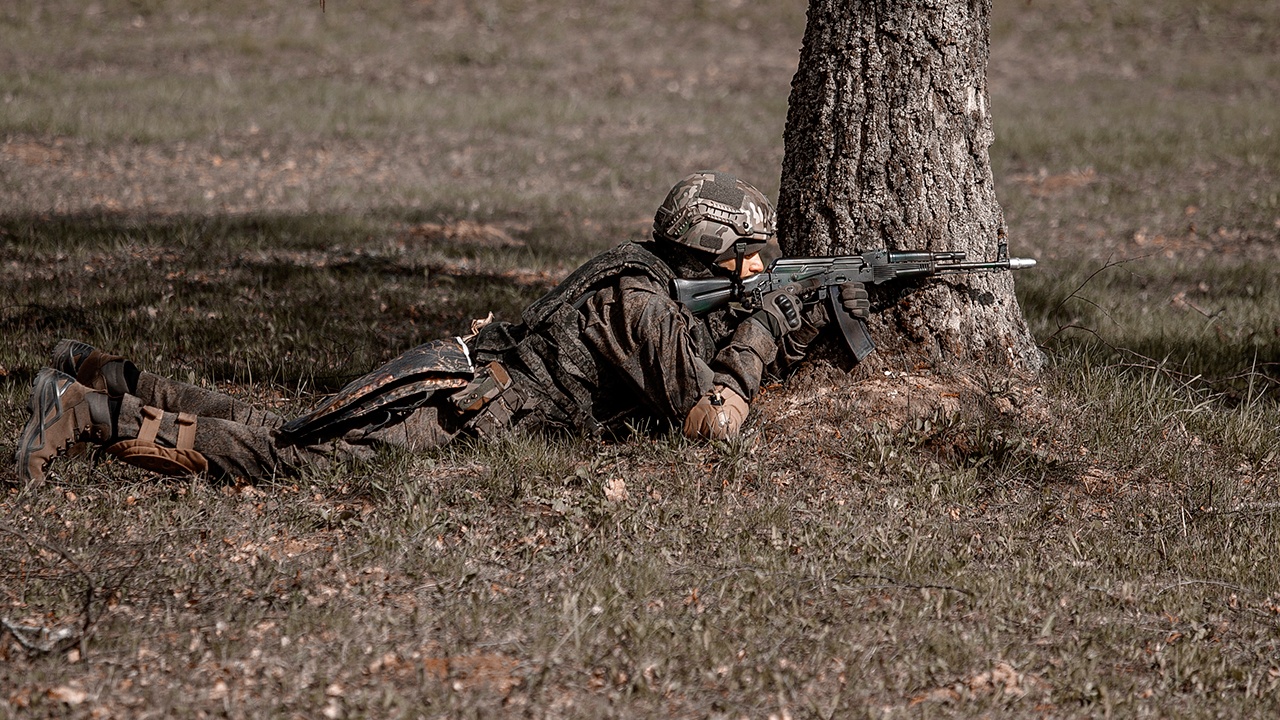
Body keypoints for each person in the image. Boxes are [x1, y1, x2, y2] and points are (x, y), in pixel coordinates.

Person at [15, 172, 870, 484]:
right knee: (287, 457)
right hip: (462, 412)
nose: (758, 270)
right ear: (711, 251)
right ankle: (87, 413)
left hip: (458, 379)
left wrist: (773, 319)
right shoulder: (643, 307)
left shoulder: (639, 267)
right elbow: (714, 428)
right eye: (748, 256)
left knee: (278, 422)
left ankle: (103, 370)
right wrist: (760, 337)